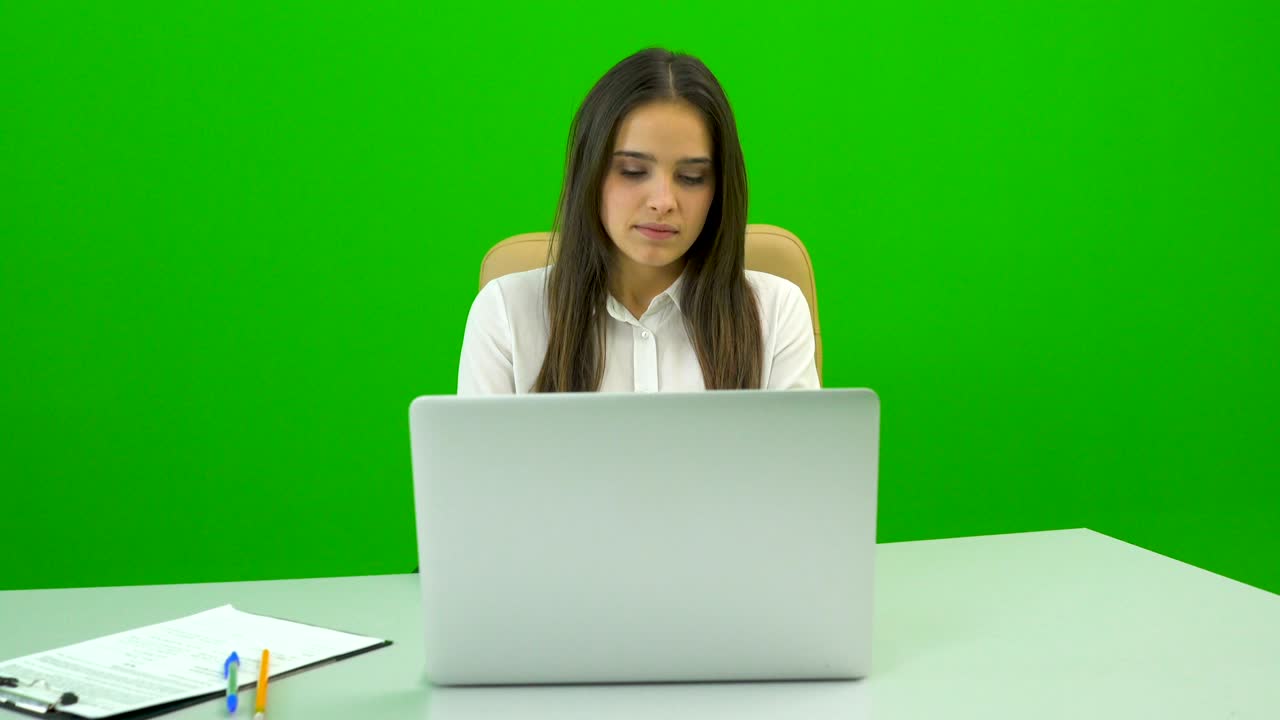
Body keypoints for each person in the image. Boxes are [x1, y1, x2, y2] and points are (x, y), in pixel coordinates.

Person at [458, 48, 819, 394]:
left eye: (691, 177)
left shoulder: (776, 312)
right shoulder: (506, 313)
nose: (663, 202)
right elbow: (477, 459)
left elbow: (803, 457)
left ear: (719, 190)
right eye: (632, 171)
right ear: (591, 175)